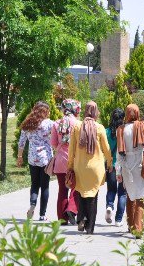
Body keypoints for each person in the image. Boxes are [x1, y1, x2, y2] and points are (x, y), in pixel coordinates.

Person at [67, 101, 112, 235]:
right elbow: (107, 149)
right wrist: (109, 163)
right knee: (93, 197)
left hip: (80, 167)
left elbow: (71, 151)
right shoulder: (99, 128)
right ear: (96, 111)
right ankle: (89, 228)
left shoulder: (77, 127)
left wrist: (69, 166)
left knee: (81, 194)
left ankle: (81, 218)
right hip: (96, 168)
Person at [116, 104, 144, 236]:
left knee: (130, 195)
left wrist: (118, 171)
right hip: (140, 164)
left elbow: (118, 154)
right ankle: (138, 228)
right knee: (140, 197)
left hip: (127, 166)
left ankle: (131, 225)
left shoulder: (121, 129)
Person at [17, 101, 54, 221]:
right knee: (45, 186)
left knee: (34, 184)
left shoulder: (28, 124)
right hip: (45, 159)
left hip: (32, 158)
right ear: (45, 111)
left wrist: (19, 157)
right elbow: (55, 138)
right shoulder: (49, 124)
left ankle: (32, 204)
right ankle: (42, 215)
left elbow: (22, 142)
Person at [51, 99, 81, 225]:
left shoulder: (56, 123)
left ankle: (62, 219)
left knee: (62, 190)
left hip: (60, 161)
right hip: (74, 160)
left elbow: (53, 143)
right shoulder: (78, 124)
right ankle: (72, 209)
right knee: (76, 187)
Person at [105, 108, 127, 227]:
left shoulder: (107, 131)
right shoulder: (124, 131)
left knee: (111, 189)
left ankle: (109, 206)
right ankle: (118, 220)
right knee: (122, 193)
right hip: (123, 165)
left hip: (111, 165)